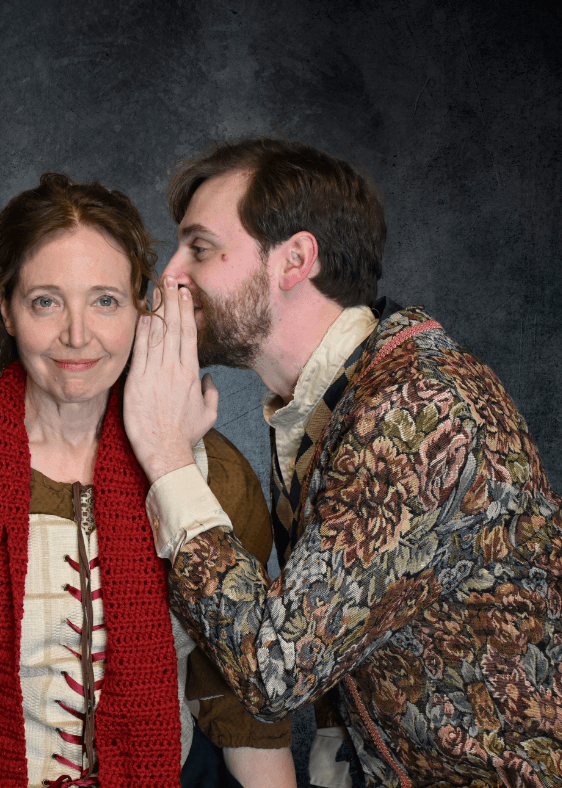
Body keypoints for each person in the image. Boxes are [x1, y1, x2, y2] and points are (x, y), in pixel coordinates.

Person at [0, 172, 296, 788]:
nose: (78, 335)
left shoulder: (208, 474)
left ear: (139, 311)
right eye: (46, 301)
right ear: (8, 310)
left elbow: (243, 707)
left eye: (105, 300)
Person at [123, 138, 562, 787]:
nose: (171, 276)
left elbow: (273, 675)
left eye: (202, 248)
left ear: (295, 259)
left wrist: (164, 454)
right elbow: (349, 604)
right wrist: (335, 740)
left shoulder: (414, 415)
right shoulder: (328, 400)